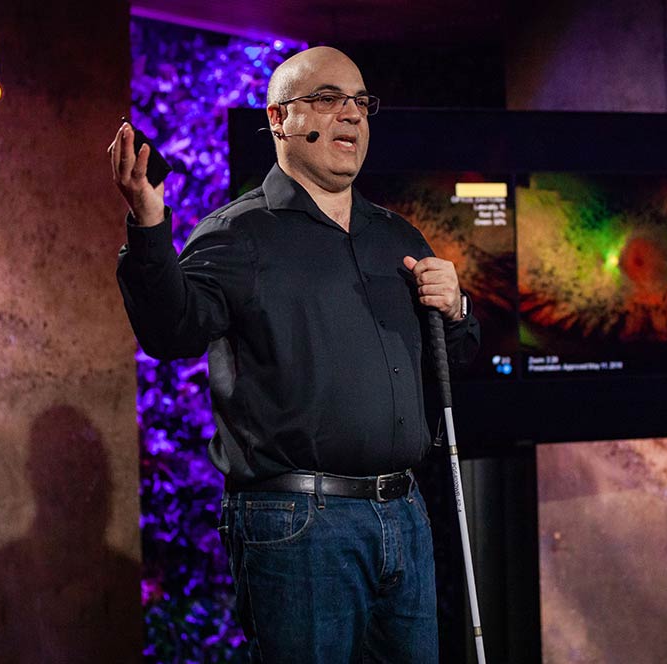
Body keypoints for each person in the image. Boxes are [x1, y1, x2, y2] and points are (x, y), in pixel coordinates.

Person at [110, 46, 479, 663]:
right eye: (328, 99)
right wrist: (150, 224)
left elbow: (455, 359)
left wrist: (458, 310)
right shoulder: (238, 234)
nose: (351, 115)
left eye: (360, 102)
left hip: (404, 514)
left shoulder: (397, 236)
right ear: (279, 119)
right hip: (298, 525)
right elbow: (170, 332)